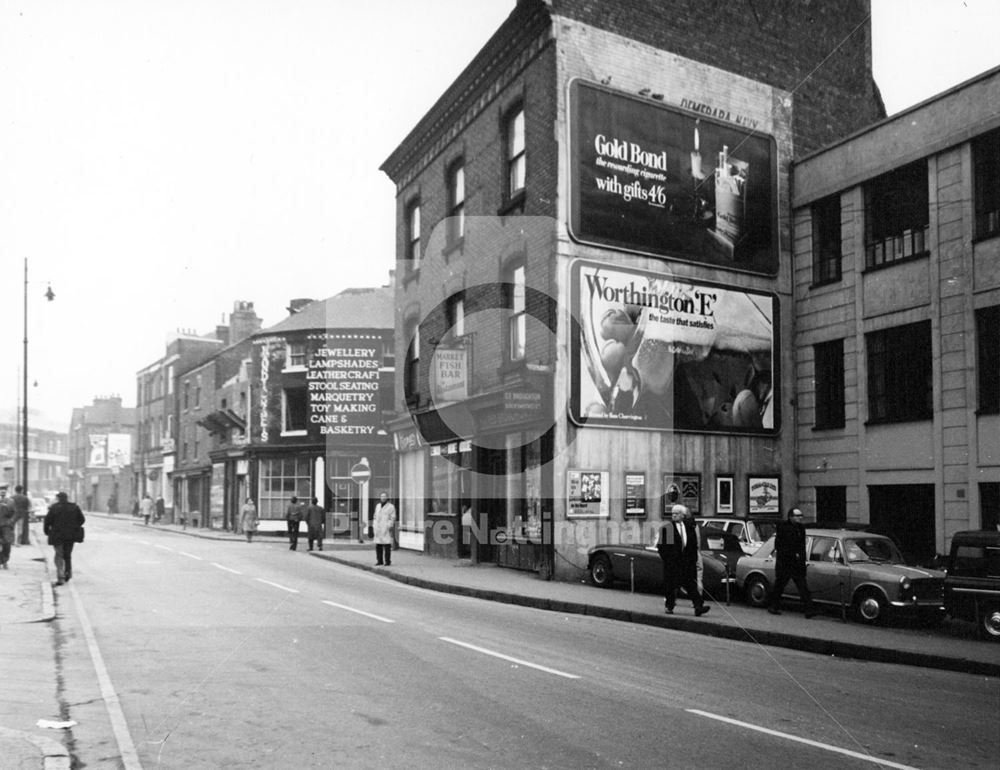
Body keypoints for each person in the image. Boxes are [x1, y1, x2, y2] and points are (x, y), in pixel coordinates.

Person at [656, 503, 709, 616]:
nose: (674, 516)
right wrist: (668, 560)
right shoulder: (668, 528)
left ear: (683, 515)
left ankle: (698, 606)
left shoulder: (689, 527)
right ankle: (669, 606)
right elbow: (661, 547)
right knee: (671, 586)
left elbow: (693, 545)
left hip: (686, 563)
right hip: (673, 564)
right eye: (673, 514)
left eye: (677, 514)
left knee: (691, 585)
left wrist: (693, 559)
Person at [767, 507, 816, 618]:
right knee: (780, 586)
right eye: (797, 516)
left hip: (797, 564)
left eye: (800, 516)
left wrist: (802, 559)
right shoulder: (783, 527)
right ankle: (773, 606)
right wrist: (792, 554)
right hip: (785, 563)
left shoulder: (801, 528)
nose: (800, 518)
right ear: (790, 517)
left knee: (803, 587)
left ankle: (809, 610)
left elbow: (802, 546)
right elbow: (779, 545)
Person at [43, 492, 85, 586]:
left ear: (58, 498)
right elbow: (82, 520)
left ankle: (60, 577)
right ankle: (68, 573)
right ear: (67, 498)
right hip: (70, 535)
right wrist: (74, 526)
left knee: (59, 555)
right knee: (67, 555)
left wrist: (47, 531)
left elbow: (47, 521)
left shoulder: (54, 508)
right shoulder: (74, 507)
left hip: (57, 535)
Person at [372, 492, 396, 566]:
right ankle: (379, 561)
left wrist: (389, 525)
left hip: (386, 528)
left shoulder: (391, 507)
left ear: (387, 498)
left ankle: (387, 561)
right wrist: (374, 525)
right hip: (378, 528)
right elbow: (375, 516)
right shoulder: (378, 506)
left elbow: (392, 517)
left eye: (385, 496)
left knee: (387, 545)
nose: (383, 498)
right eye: (382, 496)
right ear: (380, 498)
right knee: (378, 545)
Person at [0, 486, 16, 569]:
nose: (2, 492)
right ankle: (3, 561)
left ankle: (4, 561)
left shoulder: (10, 501)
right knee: (6, 544)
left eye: (3, 491)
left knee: (7, 544)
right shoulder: (10, 501)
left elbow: (13, 513)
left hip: (6, 525)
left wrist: (11, 522)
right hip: (6, 525)